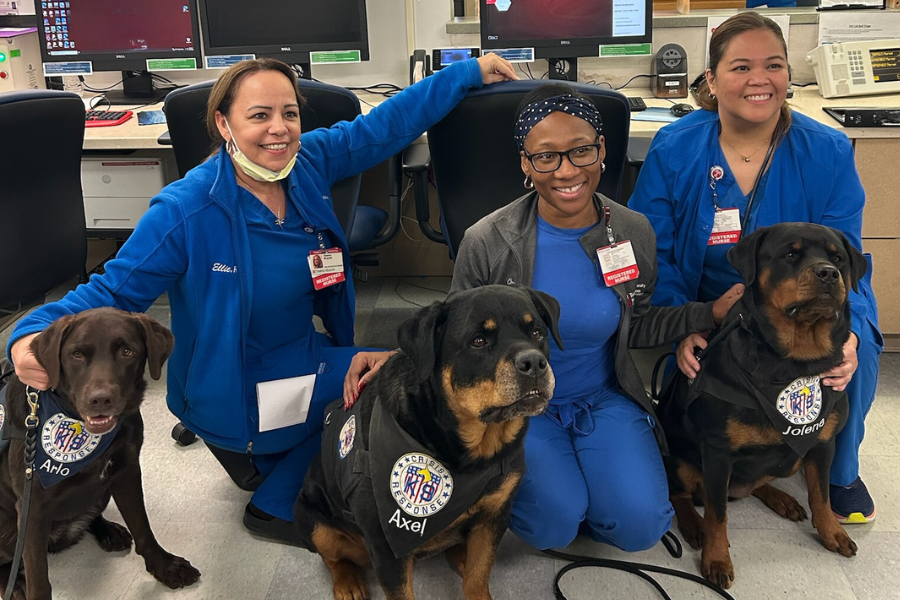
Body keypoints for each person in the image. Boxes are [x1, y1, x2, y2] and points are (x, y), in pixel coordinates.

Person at [7, 54, 517, 544]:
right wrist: (30, 335)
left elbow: (381, 127)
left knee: (391, 367)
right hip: (232, 382)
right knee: (390, 384)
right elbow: (111, 289)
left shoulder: (306, 163)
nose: (280, 128)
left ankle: (304, 448)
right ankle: (274, 505)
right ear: (224, 125)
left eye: (289, 113)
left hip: (299, 356)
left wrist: (466, 72)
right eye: (259, 115)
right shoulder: (186, 210)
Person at [351, 83, 742, 553]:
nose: (566, 171)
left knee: (640, 527)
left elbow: (634, 323)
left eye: (581, 151)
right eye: (547, 157)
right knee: (553, 526)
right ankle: (567, 491)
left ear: (602, 151)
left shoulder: (632, 231)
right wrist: (399, 357)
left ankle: (592, 484)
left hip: (601, 394)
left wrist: (707, 313)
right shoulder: (488, 240)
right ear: (524, 163)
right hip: (511, 407)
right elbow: (454, 337)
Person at [628, 12, 882, 524]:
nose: (759, 79)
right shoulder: (676, 146)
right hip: (709, 304)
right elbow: (661, 252)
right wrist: (689, 322)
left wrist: (852, 331)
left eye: (774, 65)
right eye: (741, 66)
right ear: (712, 79)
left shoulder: (827, 150)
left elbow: (847, 257)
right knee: (697, 380)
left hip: (806, 299)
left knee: (857, 348)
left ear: (789, 75)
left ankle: (840, 471)